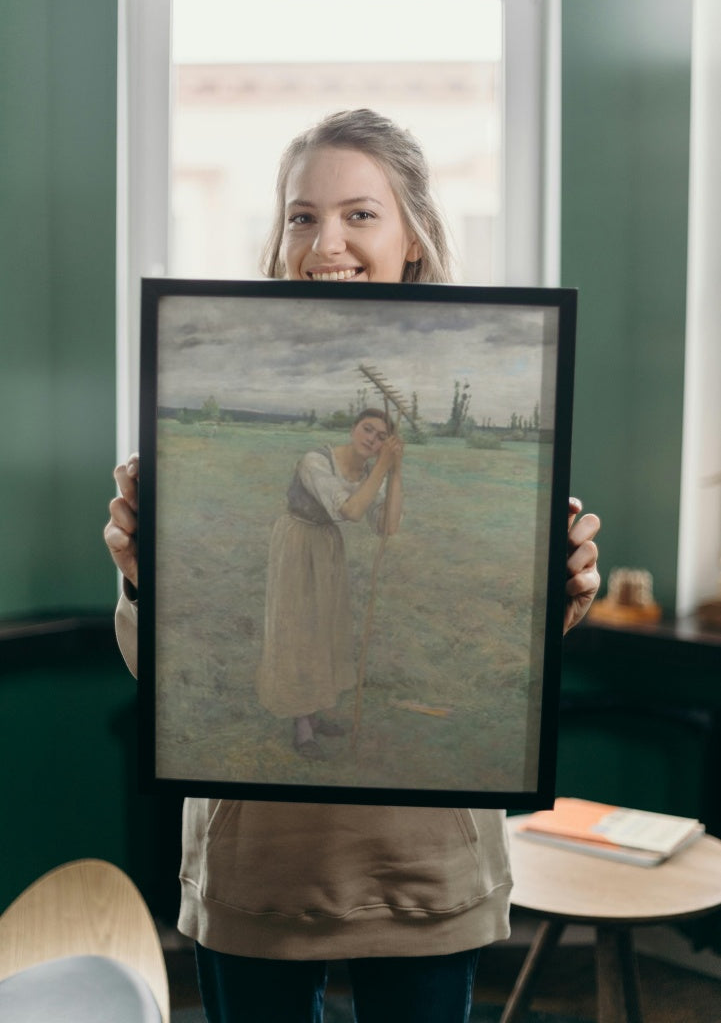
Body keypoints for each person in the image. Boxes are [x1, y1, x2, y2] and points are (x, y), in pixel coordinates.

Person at [105, 109, 601, 1023]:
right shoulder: (208, 365)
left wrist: (556, 594)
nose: (324, 240)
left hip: (422, 865)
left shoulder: (498, 359)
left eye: (359, 214)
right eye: (301, 215)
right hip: (258, 866)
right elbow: (164, 676)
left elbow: (485, 629)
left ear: (413, 235)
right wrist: (142, 578)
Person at [257, 407, 403, 759]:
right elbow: (350, 511)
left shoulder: (369, 471)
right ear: (353, 428)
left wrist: (394, 474)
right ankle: (302, 727)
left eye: (382, 436)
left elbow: (387, 526)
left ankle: (313, 711)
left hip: (325, 546)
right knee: (297, 630)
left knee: (323, 630)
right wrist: (383, 468)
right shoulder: (315, 461)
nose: (372, 439)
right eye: (368, 429)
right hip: (296, 542)